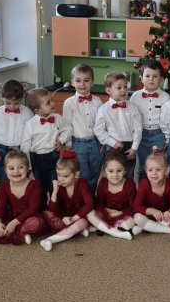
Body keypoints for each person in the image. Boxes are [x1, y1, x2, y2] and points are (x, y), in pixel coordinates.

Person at [0, 150, 45, 245]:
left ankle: (18, 232)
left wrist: (13, 223)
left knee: (36, 223)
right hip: (11, 213)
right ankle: (17, 231)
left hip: (29, 215)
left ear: (27, 168)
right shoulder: (4, 185)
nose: (16, 171)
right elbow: (0, 205)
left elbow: (33, 209)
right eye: (11, 168)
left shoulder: (35, 185)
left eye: (21, 167)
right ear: (5, 170)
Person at [20, 88, 71, 206]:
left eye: (51, 100)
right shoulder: (30, 124)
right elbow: (25, 147)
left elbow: (68, 129)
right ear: (37, 110)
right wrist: (27, 166)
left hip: (54, 156)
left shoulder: (57, 118)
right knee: (40, 187)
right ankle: (41, 209)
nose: (53, 103)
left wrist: (61, 140)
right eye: (48, 103)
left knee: (55, 185)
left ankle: (56, 208)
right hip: (37, 159)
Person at [40, 149, 94, 251]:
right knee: (47, 213)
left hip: (79, 216)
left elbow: (89, 204)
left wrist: (73, 218)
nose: (61, 179)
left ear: (76, 175)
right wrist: (54, 193)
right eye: (59, 175)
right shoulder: (60, 186)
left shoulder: (81, 184)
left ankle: (50, 240)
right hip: (64, 217)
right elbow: (52, 210)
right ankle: (73, 230)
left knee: (81, 223)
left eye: (65, 176)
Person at [62, 63, 103, 192]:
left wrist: (102, 141)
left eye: (86, 80)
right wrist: (68, 144)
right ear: (72, 82)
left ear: (92, 82)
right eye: (78, 80)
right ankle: (84, 198)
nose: (82, 84)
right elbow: (67, 124)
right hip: (78, 144)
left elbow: (101, 123)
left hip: (95, 142)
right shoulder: (69, 103)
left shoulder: (98, 101)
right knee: (83, 174)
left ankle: (91, 197)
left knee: (95, 172)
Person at [94, 71, 142, 180]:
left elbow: (138, 129)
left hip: (130, 146)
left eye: (125, 87)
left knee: (129, 174)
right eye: (119, 87)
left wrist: (134, 148)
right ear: (108, 90)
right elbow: (98, 130)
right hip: (112, 147)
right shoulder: (103, 109)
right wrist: (112, 142)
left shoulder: (133, 108)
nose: (123, 90)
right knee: (113, 174)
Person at [129, 59, 170, 180]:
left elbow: (168, 119)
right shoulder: (135, 97)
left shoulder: (166, 97)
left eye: (155, 76)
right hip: (141, 135)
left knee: (158, 165)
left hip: (159, 135)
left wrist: (167, 137)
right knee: (142, 166)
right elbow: (131, 117)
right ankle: (142, 188)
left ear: (161, 79)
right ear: (141, 78)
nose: (151, 79)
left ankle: (158, 189)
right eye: (147, 76)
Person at [0, 79, 33, 182]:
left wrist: (26, 155)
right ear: (1, 97)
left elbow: (30, 136)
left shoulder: (28, 113)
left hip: (21, 150)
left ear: (22, 97)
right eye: (7, 103)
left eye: (16, 103)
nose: (12, 107)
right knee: (4, 182)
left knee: (22, 179)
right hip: (2, 150)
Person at [87, 152, 137, 240]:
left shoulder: (130, 184)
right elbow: (99, 204)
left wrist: (118, 213)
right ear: (105, 172)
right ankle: (114, 232)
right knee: (89, 214)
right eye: (111, 171)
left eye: (119, 170)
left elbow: (133, 207)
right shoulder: (103, 182)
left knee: (132, 221)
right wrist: (108, 211)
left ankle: (104, 228)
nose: (115, 174)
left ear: (125, 171)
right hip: (106, 213)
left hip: (123, 214)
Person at [132, 148, 170, 235]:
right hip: (148, 214)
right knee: (137, 217)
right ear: (146, 170)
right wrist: (152, 211)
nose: (154, 173)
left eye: (158, 169)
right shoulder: (144, 183)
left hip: (164, 215)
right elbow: (136, 206)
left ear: (166, 170)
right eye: (150, 170)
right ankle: (167, 230)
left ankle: (148, 227)